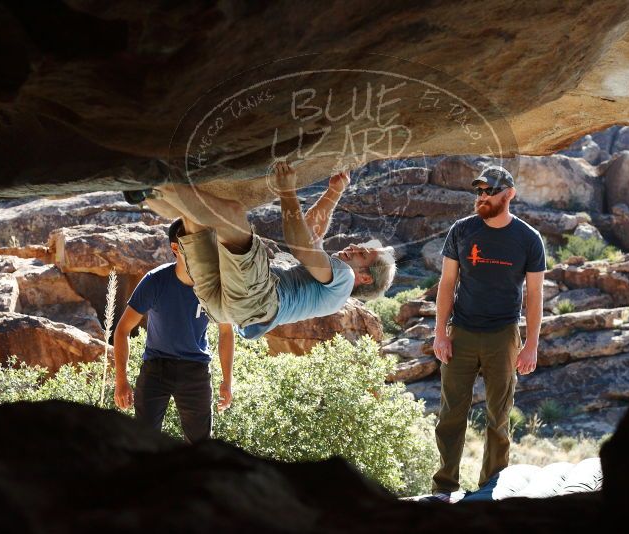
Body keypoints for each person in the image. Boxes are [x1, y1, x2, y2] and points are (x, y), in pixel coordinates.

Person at [146, 162, 396, 339]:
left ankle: (151, 174)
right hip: (227, 310)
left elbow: (302, 246)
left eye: (362, 254)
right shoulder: (334, 290)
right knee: (195, 220)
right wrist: (334, 191)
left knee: (232, 214)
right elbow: (311, 234)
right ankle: (144, 185)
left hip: (255, 301)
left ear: (365, 278)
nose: (352, 248)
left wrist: (287, 190)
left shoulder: (345, 277)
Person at [431, 165, 545, 497]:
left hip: (503, 336)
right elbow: (447, 283)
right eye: (478, 191)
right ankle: (444, 487)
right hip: (461, 332)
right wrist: (440, 332)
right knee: (451, 414)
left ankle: (490, 489)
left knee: (499, 417)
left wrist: (531, 344)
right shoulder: (462, 231)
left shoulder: (528, 239)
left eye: (489, 191)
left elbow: (535, 295)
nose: (482, 197)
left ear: (509, 194)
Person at [113, 218, 235, 444]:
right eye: (193, 243)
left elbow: (226, 331)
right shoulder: (155, 282)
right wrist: (121, 379)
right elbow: (122, 330)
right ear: (175, 248)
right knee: (142, 442)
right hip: (156, 368)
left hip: (195, 371)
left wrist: (228, 380)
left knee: (201, 447)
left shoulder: (214, 283)